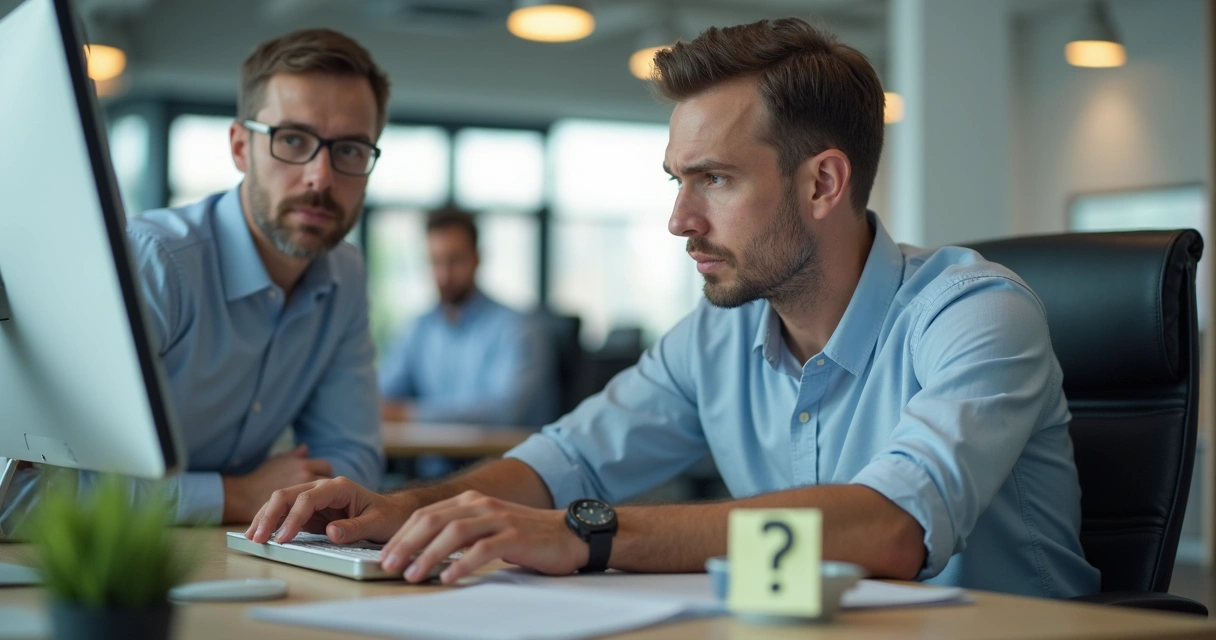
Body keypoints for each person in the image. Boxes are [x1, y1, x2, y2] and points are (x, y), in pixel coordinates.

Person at [246, 18, 1099, 598]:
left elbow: (891, 530)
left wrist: (587, 533)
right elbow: (566, 460)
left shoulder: (977, 313)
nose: (679, 220)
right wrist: (409, 511)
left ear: (823, 183)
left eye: (715, 180)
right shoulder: (717, 338)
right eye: (677, 180)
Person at [1, 28, 389, 527]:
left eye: (352, 149)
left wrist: (294, 497)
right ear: (240, 147)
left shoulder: (345, 275)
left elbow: (351, 461)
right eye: (293, 139)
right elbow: (15, 491)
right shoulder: (155, 263)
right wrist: (231, 497)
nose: (321, 176)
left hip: (227, 561)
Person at [378, 208, 556, 427]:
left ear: (477, 258)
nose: (444, 275)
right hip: (432, 459)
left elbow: (506, 411)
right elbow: (382, 395)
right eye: (435, 261)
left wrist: (411, 414)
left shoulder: (517, 328)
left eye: (455, 261)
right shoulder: (419, 329)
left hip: (500, 459)